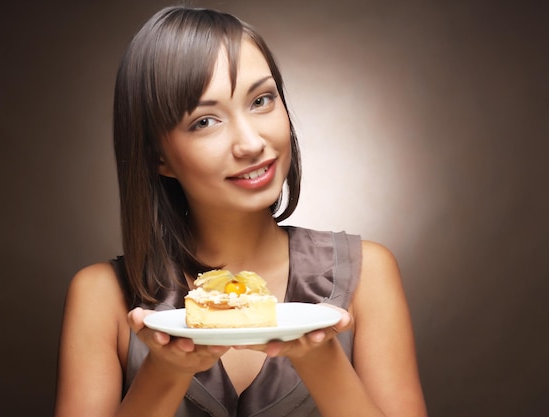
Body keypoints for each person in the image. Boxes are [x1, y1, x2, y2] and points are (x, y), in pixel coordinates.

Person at [54, 5, 428, 417]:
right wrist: (163, 372)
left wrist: (321, 361)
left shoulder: (368, 273)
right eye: (205, 121)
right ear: (157, 156)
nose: (250, 143)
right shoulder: (101, 296)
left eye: (261, 99)